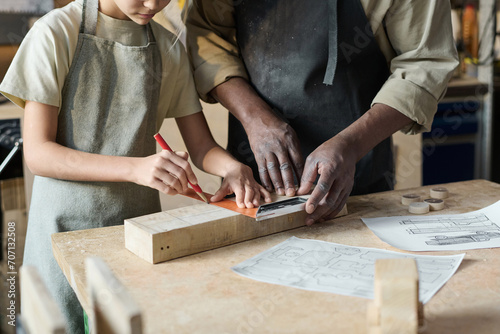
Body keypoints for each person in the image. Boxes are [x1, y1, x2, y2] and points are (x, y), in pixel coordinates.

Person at [0, 0, 270, 332]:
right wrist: (136, 169)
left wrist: (231, 167)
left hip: (137, 240)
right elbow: (39, 154)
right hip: (59, 235)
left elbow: (202, 148)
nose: (154, 4)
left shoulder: (168, 47)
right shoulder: (55, 33)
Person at [185, 0, 459, 225]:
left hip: (360, 174)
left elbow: (425, 63)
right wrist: (254, 116)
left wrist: (352, 145)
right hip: (254, 180)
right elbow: (208, 38)